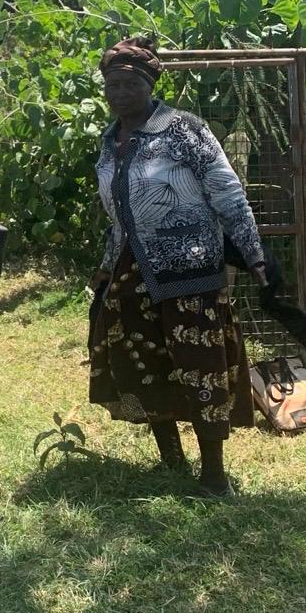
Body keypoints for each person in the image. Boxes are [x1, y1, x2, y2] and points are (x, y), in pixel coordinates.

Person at [89, 33, 268, 498]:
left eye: (130, 84)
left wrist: (254, 255)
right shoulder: (111, 142)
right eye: (112, 85)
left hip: (190, 267)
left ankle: (214, 476)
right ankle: (171, 460)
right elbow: (120, 216)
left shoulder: (183, 129)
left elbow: (227, 192)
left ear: (150, 84)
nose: (120, 94)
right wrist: (108, 267)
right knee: (143, 355)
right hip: (135, 266)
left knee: (200, 361)